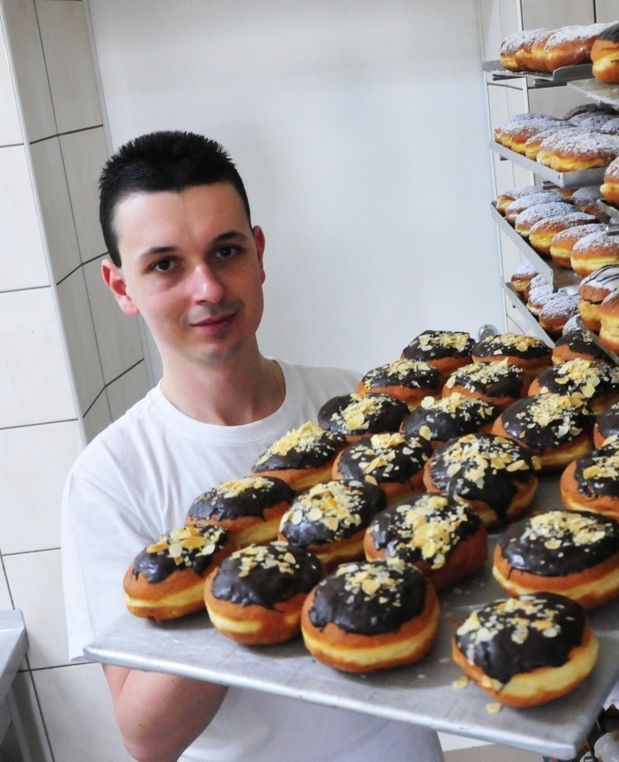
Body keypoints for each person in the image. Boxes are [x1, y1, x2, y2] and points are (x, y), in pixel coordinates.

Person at [59, 131, 443, 762]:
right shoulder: (110, 476)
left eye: (225, 251)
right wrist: (248, 559)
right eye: (165, 265)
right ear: (121, 286)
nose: (207, 288)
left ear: (258, 254)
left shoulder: (354, 407)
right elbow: (147, 738)